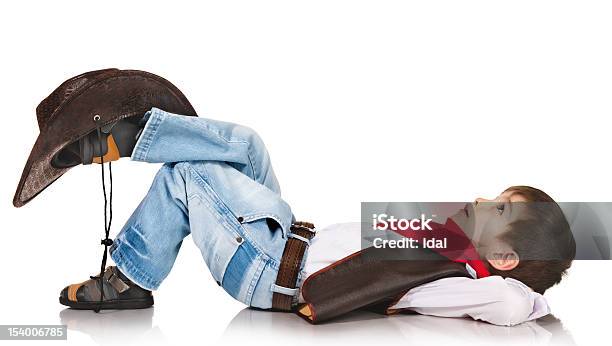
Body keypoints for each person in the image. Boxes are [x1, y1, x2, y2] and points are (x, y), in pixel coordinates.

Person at [58, 107, 576, 326]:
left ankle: (127, 279)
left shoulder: (467, 282)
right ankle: (140, 134)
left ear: (505, 257)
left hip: (270, 274)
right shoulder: (447, 246)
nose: (483, 201)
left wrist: (538, 297)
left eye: (500, 208)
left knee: (188, 175)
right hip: (285, 236)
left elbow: (514, 303)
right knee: (247, 145)